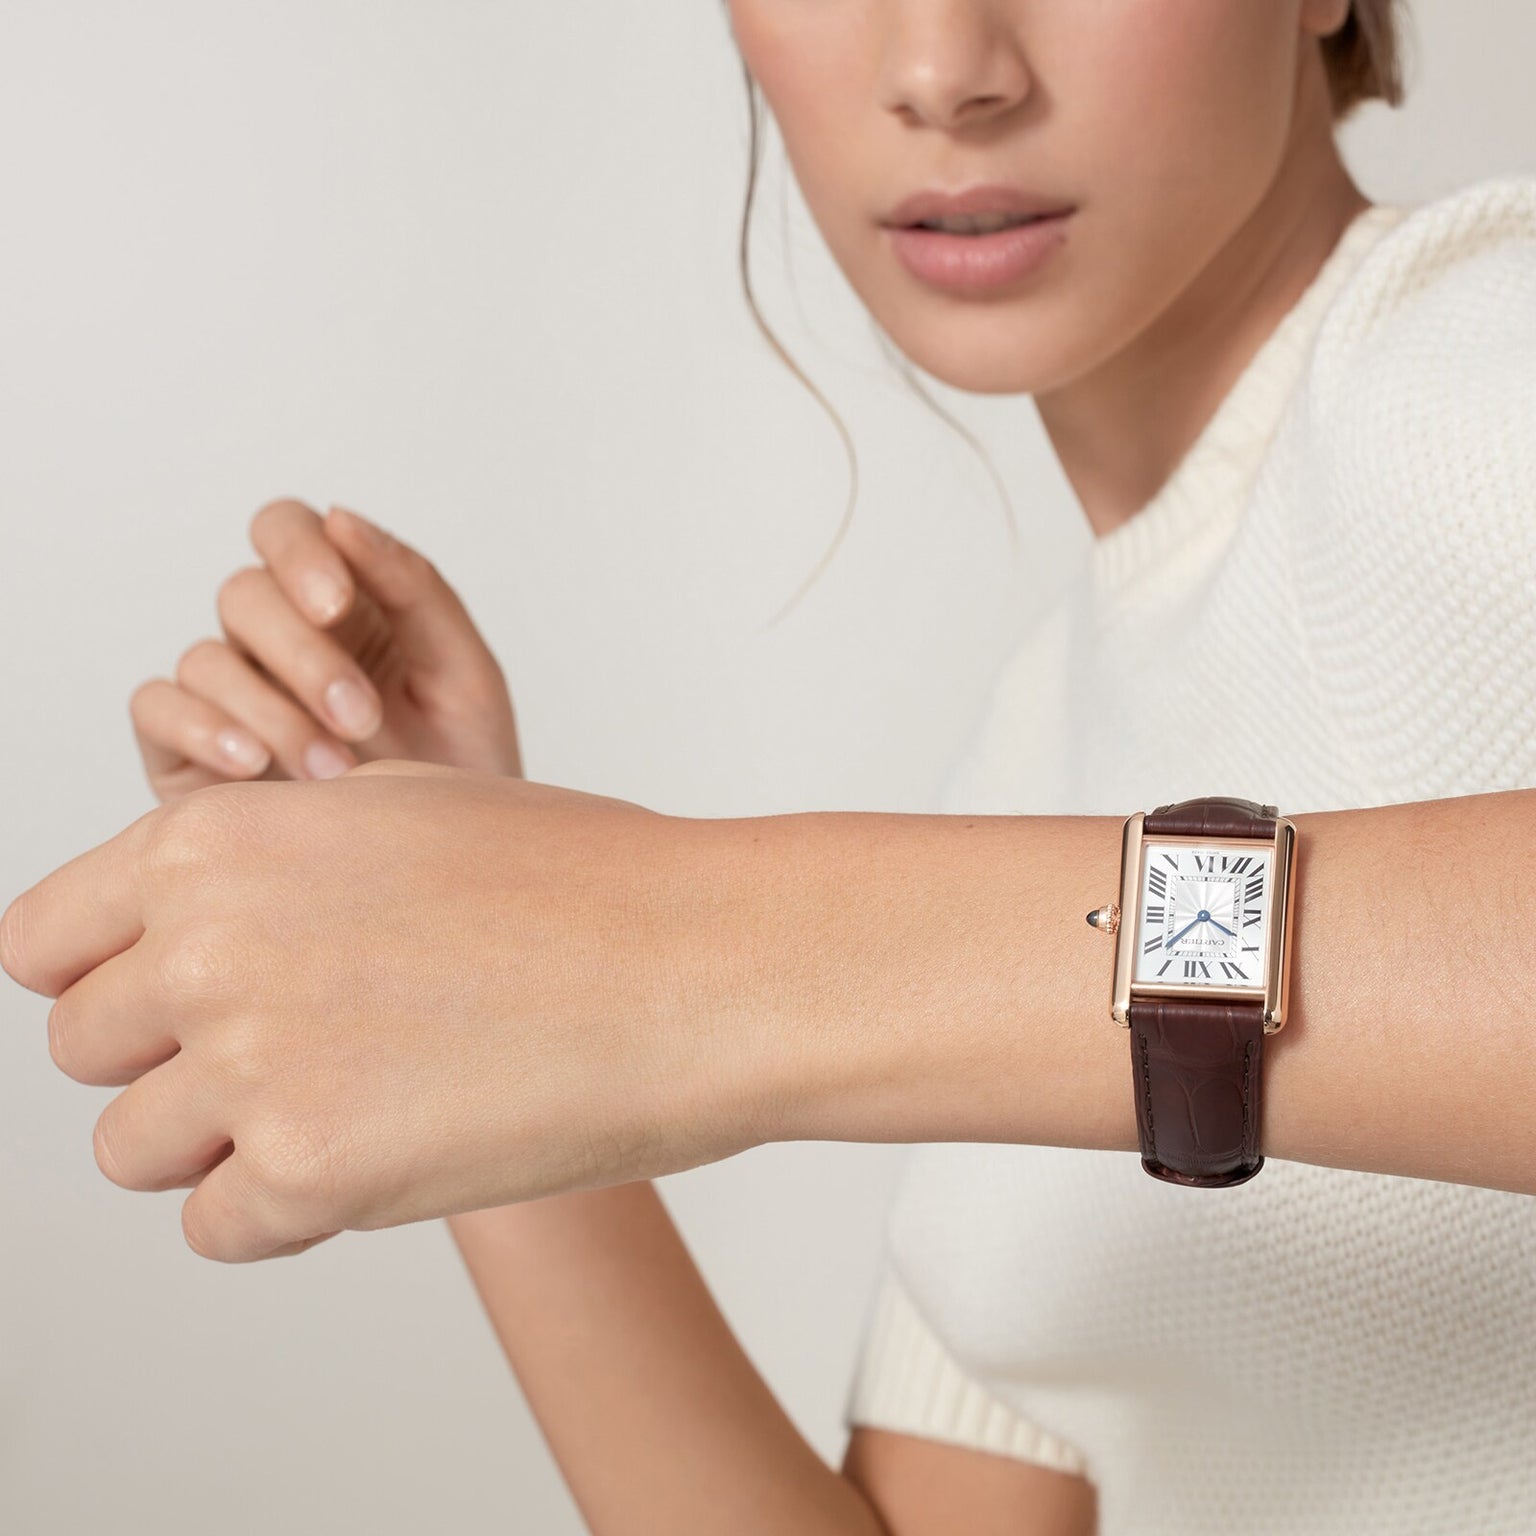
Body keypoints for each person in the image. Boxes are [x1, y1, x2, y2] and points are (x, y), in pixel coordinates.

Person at [1, 2, 1533, 1532]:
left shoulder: (1478, 362)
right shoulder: (1028, 764)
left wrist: (649, 948)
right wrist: (497, 1023)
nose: (944, 72)